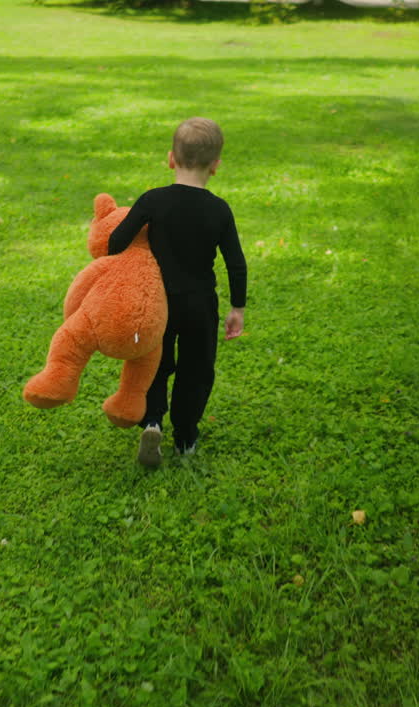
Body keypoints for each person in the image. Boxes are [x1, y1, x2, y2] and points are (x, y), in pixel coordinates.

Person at [107, 117, 247, 466]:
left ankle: (152, 419)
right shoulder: (219, 210)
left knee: (154, 362)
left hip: (157, 303)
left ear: (171, 158)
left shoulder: (153, 201)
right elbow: (236, 263)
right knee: (196, 370)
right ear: (216, 166)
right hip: (200, 305)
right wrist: (237, 309)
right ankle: (185, 435)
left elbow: (115, 244)